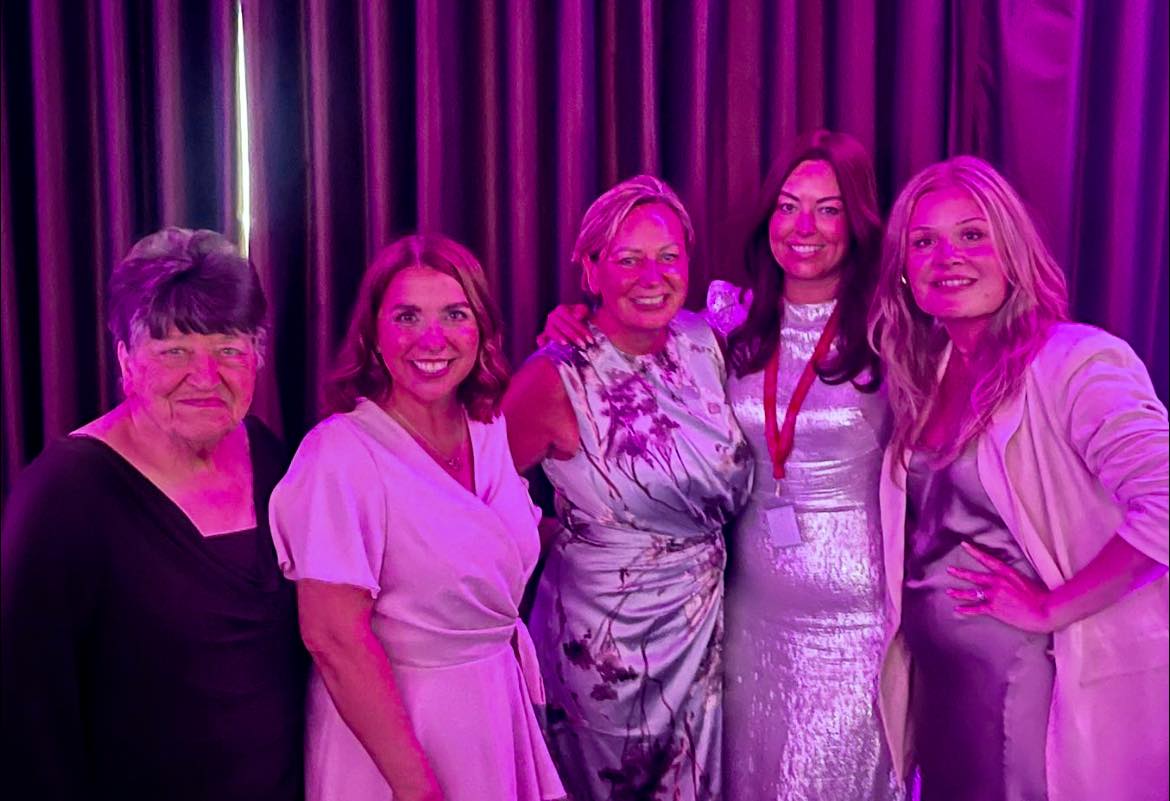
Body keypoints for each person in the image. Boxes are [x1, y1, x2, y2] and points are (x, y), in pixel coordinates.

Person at [540, 132, 901, 800]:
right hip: (744, 617)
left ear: (857, 221)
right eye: (789, 206)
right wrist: (575, 318)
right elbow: (638, 350)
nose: (805, 227)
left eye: (828, 209)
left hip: (858, 620)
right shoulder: (727, 322)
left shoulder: (891, 327)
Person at [869, 155, 1169, 801]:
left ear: (1013, 250)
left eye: (973, 234)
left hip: (1034, 687)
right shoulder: (930, 371)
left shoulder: (1076, 361)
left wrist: (1051, 605)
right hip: (945, 688)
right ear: (903, 269)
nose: (948, 256)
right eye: (924, 242)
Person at [0, 228, 306, 800]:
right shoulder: (63, 494)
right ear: (126, 360)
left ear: (257, 357)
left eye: (229, 350)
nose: (206, 376)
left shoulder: (271, 456)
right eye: (174, 352)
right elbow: (28, 718)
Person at [268, 234, 564, 801]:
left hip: (493, 709)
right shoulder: (341, 453)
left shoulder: (489, 427)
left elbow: (487, 555)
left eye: (455, 314)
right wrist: (417, 788)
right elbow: (333, 638)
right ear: (374, 336)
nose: (433, 339)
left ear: (481, 329)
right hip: (397, 737)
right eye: (407, 316)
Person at [503, 175, 752, 800]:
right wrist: (554, 530)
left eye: (669, 257)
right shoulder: (557, 375)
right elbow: (477, 496)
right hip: (604, 644)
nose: (652, 274)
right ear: (591, 270)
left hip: (704, 633)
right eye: (627, 258)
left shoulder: (710, 341)